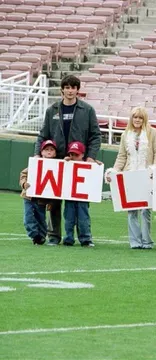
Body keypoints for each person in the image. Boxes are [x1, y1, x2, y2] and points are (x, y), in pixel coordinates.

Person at [35, 74, 102, 245]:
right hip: (56, 162)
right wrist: (38, 154)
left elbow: (95, 136)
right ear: (62, 89)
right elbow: (43, 135)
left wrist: (91, 157)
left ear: (77, 90)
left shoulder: (87, 110)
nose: (70, 91)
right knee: (54, 202)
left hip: (79, 163)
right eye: (67, 87)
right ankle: (54, 236)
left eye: (73, 88)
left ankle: (85, 238)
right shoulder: (52, 110)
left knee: (81, 203)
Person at [105, 106, 156, 249]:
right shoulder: (126, 134)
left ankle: (147, 241)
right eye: (135, 117)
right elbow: (122, 157)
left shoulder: (153, 133)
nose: (137, 120)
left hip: (146, 175)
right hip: (130, 175)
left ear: (144, 119)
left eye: (140, 117)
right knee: (131, 211)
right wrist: (114, 170)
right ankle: (135, 242)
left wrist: (153, 169)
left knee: (145, 211)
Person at [20, 140, 59, 245]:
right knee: (28, 217)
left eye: (51, 150)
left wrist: (52, 201)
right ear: (41, 152)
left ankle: (41, 236)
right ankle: (34, 235)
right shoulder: (35, 163)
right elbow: (23, 174)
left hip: (42, 199)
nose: (49, 152)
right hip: (29, 196)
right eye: (46, 150)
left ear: (55, 153)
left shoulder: (57, 167)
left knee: (41, 218)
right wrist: (24, 184)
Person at [63, 141, 99, 247]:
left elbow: (95, 172)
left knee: (83, 218)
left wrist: (96, 165)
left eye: (76, 154)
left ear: (83, 154)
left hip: (82, 196)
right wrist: (65, 161)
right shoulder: (67, 164)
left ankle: (86, 239)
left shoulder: (88, 164)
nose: (73, 157)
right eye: (72, 154)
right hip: (69, 195)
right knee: (69, 218)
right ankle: (68, 238)